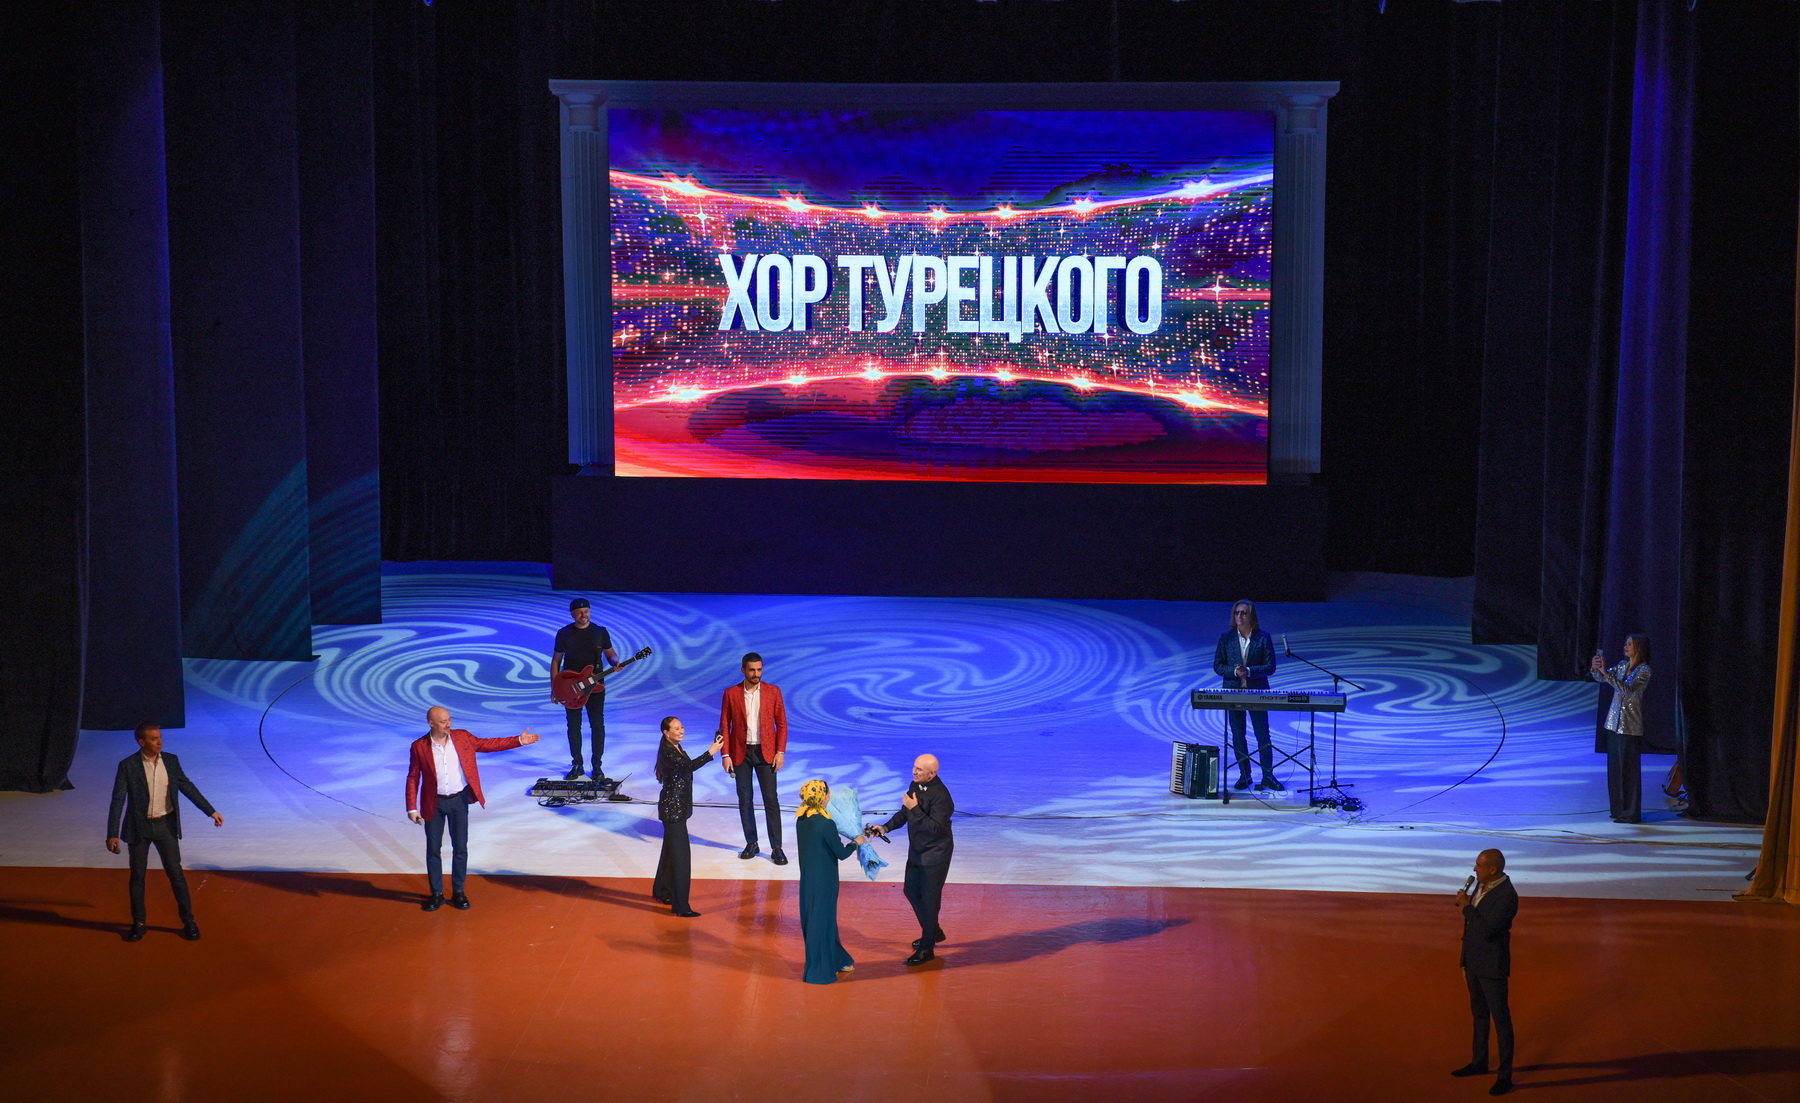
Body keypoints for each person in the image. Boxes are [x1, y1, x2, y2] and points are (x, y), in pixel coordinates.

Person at [404, 706, 540, 911]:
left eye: (449, 720)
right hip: (433, 803)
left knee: (460, 848)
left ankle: (458, 891)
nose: (448, 724)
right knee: (433, 850)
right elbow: (413, 777)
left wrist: (518, 740)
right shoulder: (419, 746)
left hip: (458, 801)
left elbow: (488, 744)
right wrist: (411, 808)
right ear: (431, 723)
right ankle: (436, 894)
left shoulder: (462, 737)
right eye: (443, 721)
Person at [105, 722, 223, 942]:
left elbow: (187, 786)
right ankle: (139, 923)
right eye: (154, 739)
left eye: (160, 737)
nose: (160, 742)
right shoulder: (128, 765)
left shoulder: (171, 760)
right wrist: (112, 833)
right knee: (137, 877)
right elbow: (118, 800)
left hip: (165, 826)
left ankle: (188, 921)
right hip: (139, 828)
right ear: (141, 742)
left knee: (176, 875)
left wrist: (210, 811)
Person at [868, 754, 953, 966]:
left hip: (935, 854)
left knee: (930, 899)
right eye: (914, 767)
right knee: (911, 891)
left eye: (919, 770)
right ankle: (933, 931)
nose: (914, 772)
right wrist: (885, 827)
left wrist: (914, 808)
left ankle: (927, 948)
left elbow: (935, 829)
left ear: (931, 774)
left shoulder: (942, 797)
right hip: (917, 850)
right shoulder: (914, 784)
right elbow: (904, 813)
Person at [1452, 848, 1518, 1096]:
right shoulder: (1481, 885)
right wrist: (1464, 961)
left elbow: (1488, 929)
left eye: (1479, 865)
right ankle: (1479, 1062)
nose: (1474, 869)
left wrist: (1466, 907)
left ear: (1493, 869)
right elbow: (1470, 930)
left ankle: (1505, 1076)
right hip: (1474, 964)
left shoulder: (1507, 896)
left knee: (1501, 1021)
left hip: (1492, 967)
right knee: (1479, 1015)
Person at [796, 779, 869, 984]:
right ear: (822, 797)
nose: (830, 796)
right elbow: (841, 853)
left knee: (821, 921)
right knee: (823, 923)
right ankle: (819, 970)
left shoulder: (801, 819)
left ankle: (838, 960)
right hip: (825, 881)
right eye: (827, 793)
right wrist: (856, 842)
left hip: (808, 880)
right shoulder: (826, 823)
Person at [718, 651, 789, 864]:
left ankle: (776, 847)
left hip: (766, 753)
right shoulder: (731, 693)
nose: (756, 674)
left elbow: (782, 724)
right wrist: (725, 754)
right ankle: (752, 842)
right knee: (745, 799)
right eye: (751, 670)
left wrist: (780, 752)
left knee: (771, 800)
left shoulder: (773, 691)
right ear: (743, 670)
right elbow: (724, 725)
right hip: (741, 753)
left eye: (759, 669)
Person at [651, 717, 724, 918]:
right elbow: (687, 767)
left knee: (670, 852)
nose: (681, 731)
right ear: (666, 732)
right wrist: (710, 752)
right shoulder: (668, 751)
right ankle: (681, 906)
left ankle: (663, 891)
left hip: (677, 809)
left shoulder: (676, 747)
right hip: (672, 811)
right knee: (681, 858)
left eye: (682, 727)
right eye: (676, 728)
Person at [1212, 599, 1282, 791]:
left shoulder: (1263, 637)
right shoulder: (1226, 638)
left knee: (1262, 734)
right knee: (1238, 735)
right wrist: (1235, 672)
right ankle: (1245, 775)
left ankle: (1268, 776)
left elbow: (1270, 667)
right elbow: (1218, 665)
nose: (1239, 616)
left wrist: (1249, 671)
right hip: (1233, 692)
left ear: (1252, 616)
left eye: (1244, 613)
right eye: (1237, 613)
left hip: (1257, 692)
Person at [552, 597, 620, 782]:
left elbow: (610, 653)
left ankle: (596, 765)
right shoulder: (564, 633)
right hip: (570, 687)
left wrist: (615, 662)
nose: (584, 615)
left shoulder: (600, 632)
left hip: (595, 687)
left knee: (597, 725)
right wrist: (555, 688)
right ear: (572, 614)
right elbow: (556, 660)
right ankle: (577, 764)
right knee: (574, 725)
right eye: (579, 613)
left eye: (586, 611)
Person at [1590, 634, 1652, 823]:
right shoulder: (1622, 665)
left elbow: (1627, 689)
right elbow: (1602, 678)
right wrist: (1596, 668)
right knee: (1615, 770)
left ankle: (1630, 813)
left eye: (1630, 644)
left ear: (1638, 648)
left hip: (1630, 726)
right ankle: (1618, 809)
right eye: (1626, 643)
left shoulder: (1644, 670)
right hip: (1613, 724)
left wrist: (1606, 674)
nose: (1626, 646)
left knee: (1629, 772)